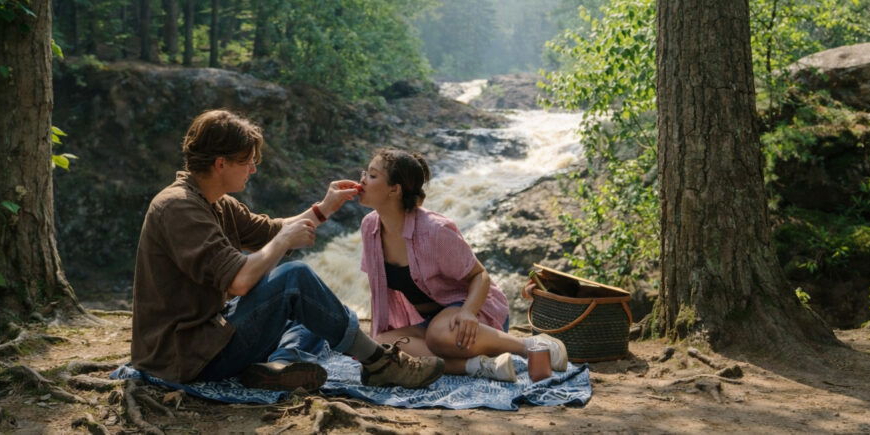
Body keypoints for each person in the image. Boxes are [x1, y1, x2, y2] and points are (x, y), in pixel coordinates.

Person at [130, 110, 445, 392]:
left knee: (322, 311)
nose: (253, 169)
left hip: (207, 336)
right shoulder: (179, 208)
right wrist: (283, 244)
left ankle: (279, 365)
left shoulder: (215, 201)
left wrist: (324, 208)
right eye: (247, 161)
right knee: (296, 279)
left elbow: (268, 230)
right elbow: (239, 281)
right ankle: (381, 364)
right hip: (184, 356)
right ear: (220, 163)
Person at [357, 148, 568, 382]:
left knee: (439, 335)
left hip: (473, 315)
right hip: (429, 324)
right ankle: (477, 366)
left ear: (394, 190)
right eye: (365, 173)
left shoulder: (434, 230)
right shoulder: (370, 227)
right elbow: (378, 290)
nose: (362, 180)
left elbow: (480, 275)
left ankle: (528, 345)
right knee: (377, 345)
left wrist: (468, 311)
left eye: (372, 175)